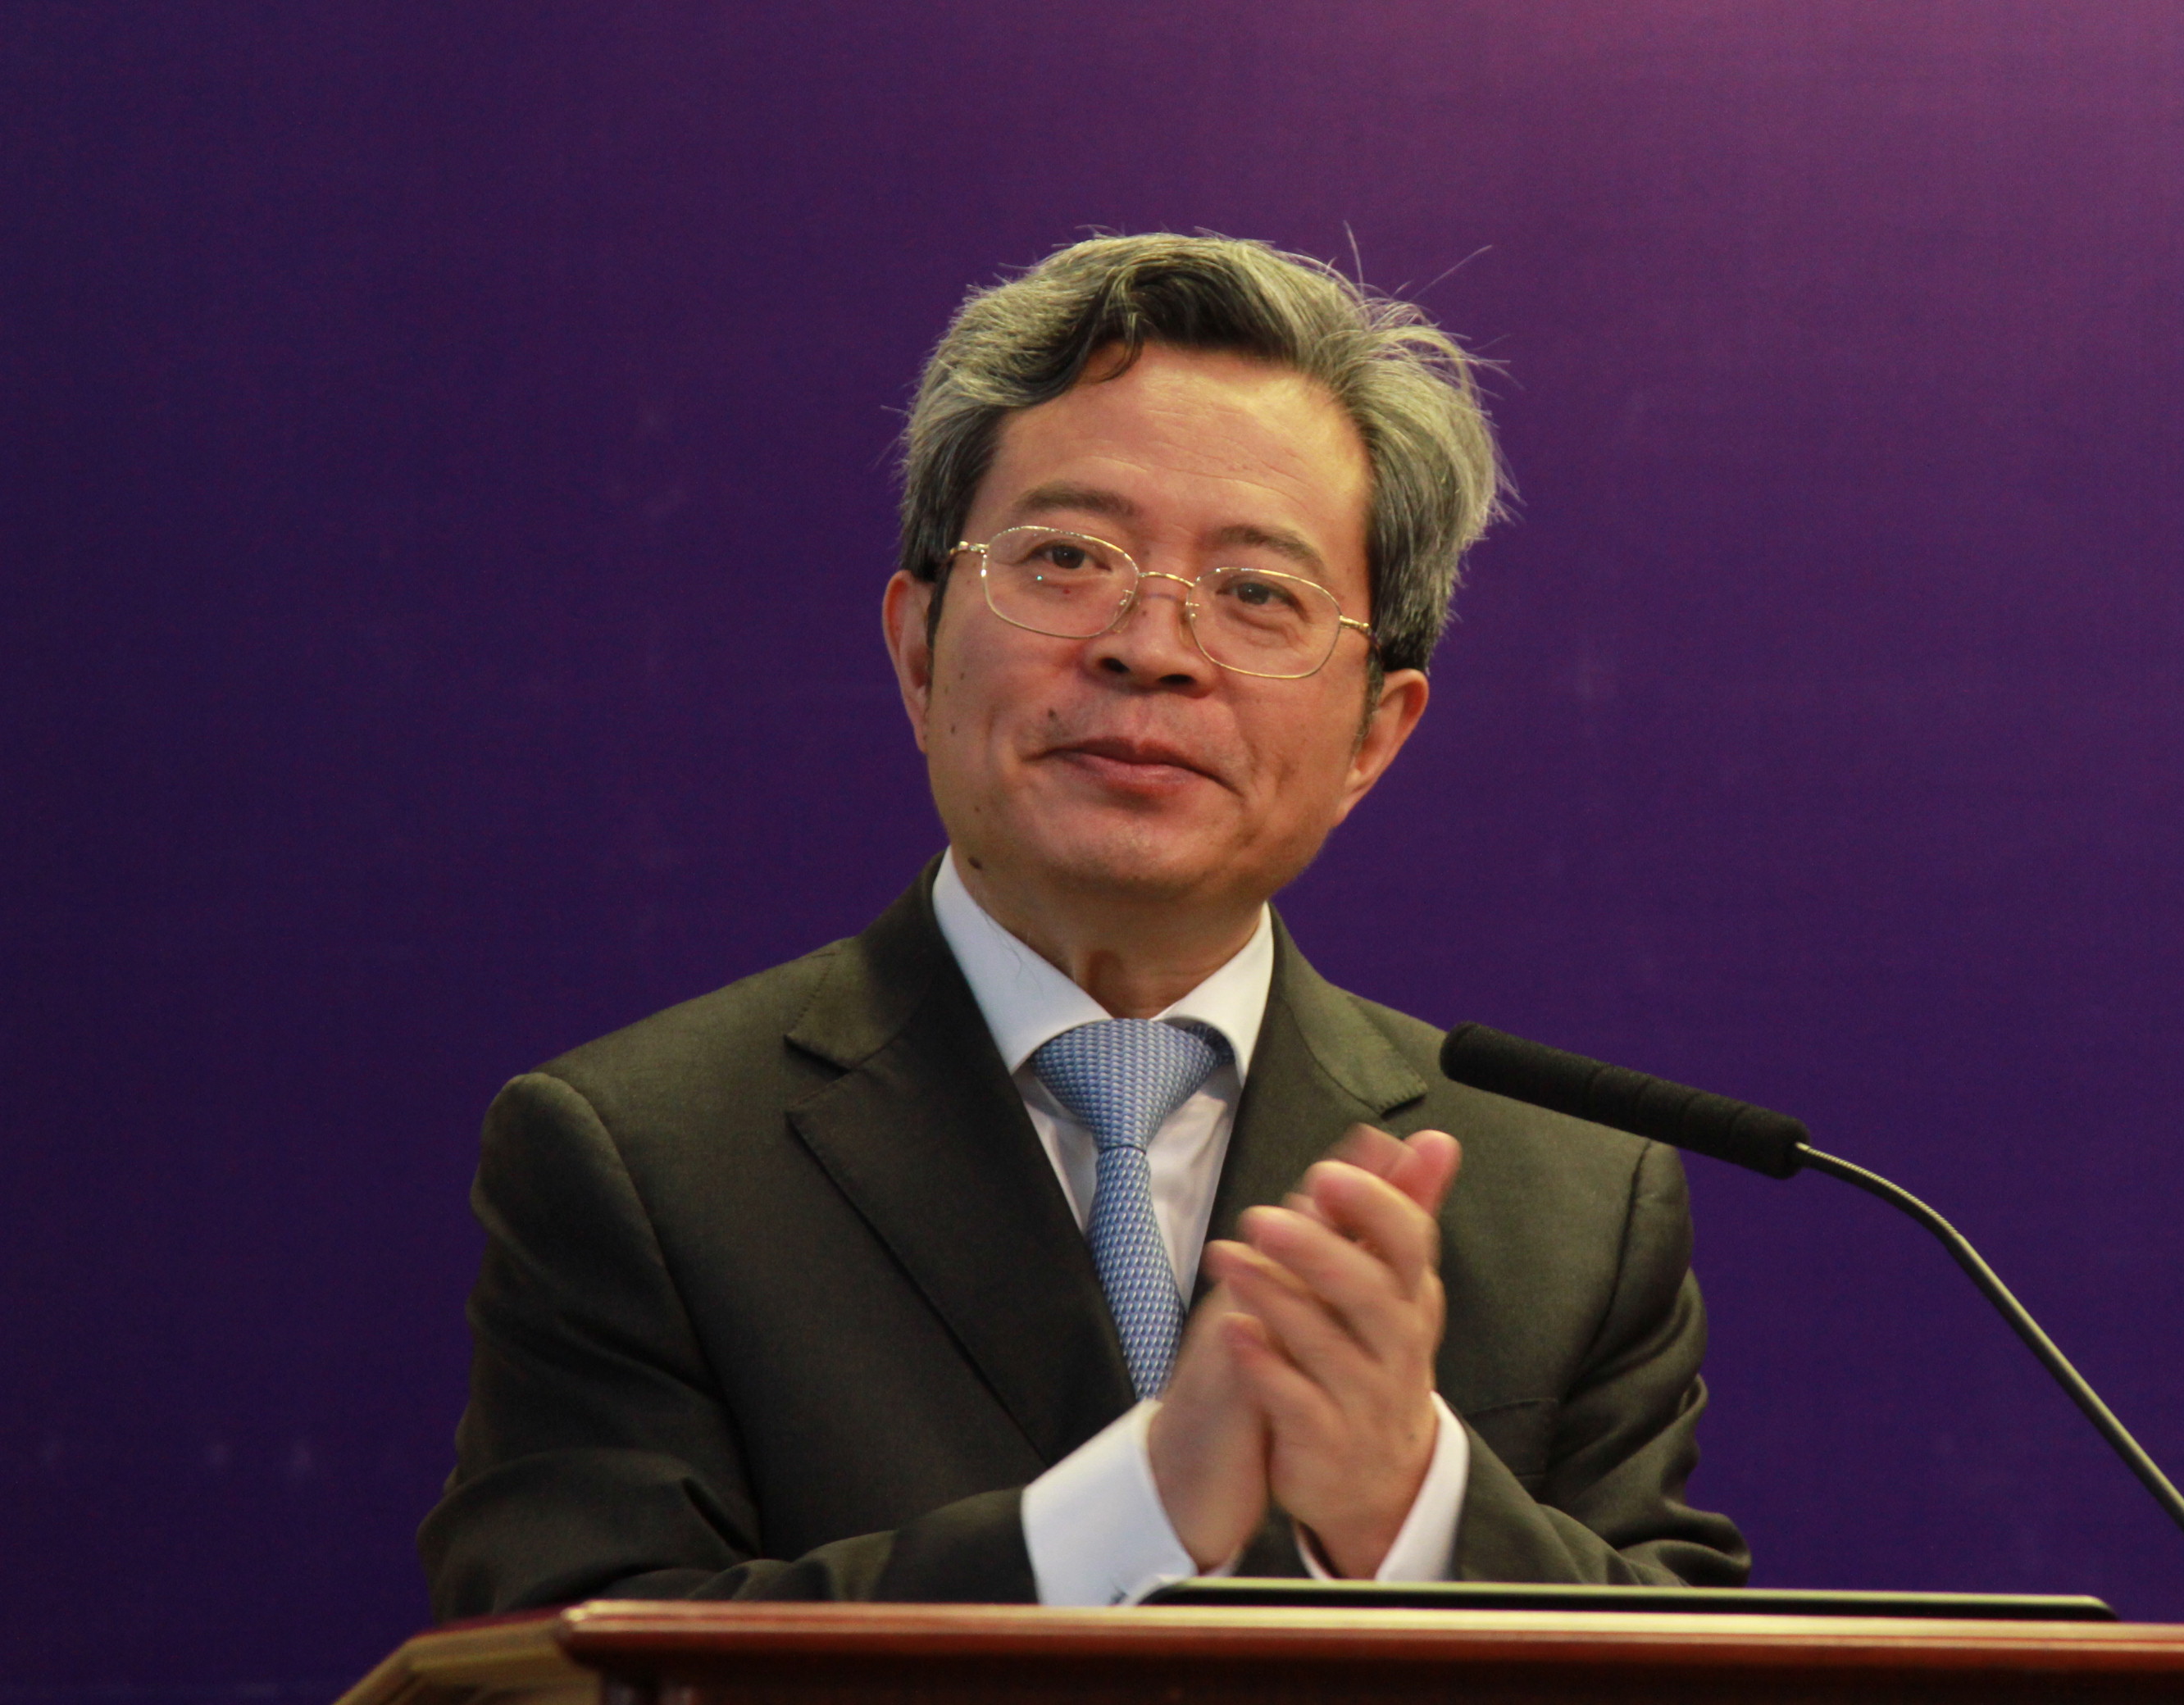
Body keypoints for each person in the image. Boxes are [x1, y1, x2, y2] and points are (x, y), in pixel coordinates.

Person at [418, 234, 1748, 1613]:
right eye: (1064, 558)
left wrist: (1415, 1507)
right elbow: (564, 1669)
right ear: (918, 651)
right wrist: (1133, 1516)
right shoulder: (641, 1158)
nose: (1149, 647)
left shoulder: (1572, 1206)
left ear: (1374, 736)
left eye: (1257, 593)